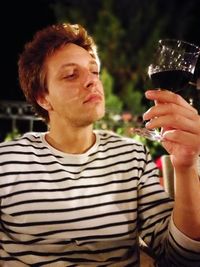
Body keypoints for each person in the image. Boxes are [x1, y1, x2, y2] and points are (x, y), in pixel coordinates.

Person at [0, 23, 200, 267]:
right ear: (43, 97)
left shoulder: (132, 155)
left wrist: (185, 166)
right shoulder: (7, 161)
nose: (92, 82)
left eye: (94, 71)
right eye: (71, 75)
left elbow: (180, 256)